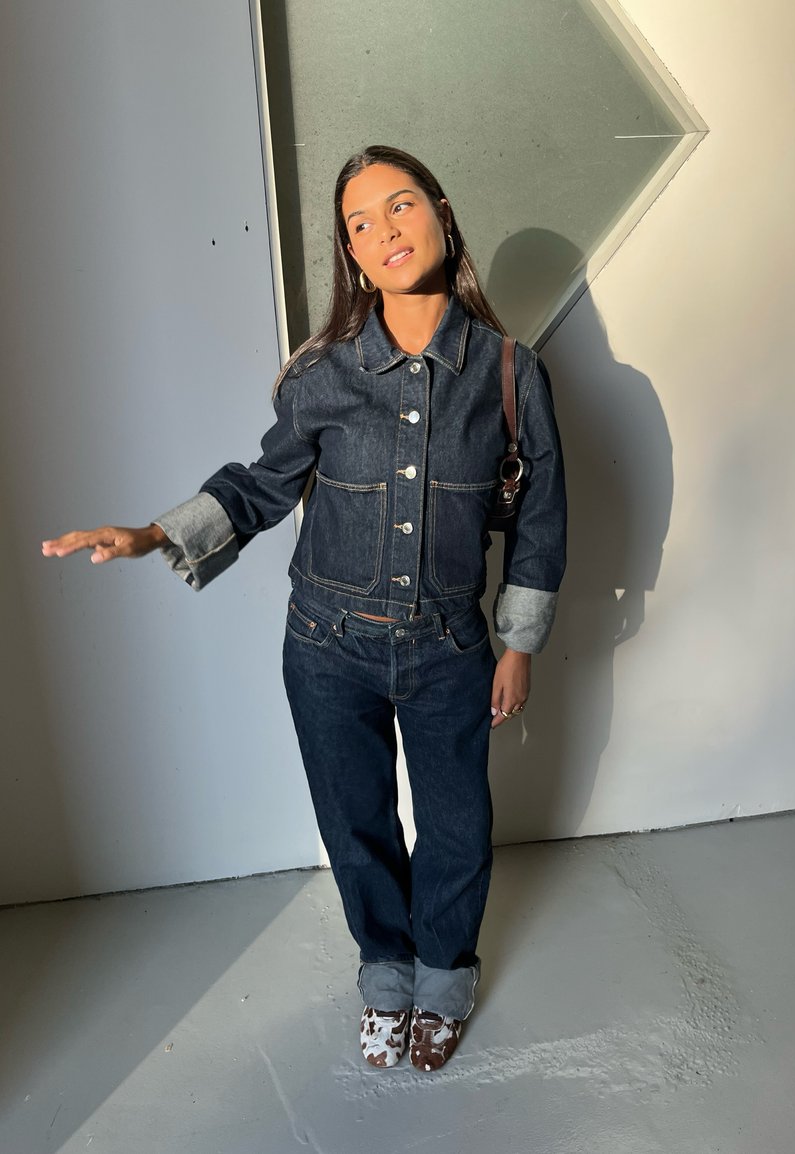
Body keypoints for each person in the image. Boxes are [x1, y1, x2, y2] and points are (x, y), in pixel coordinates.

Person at [42, 145, 566, 1073]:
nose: (383, 232)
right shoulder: (322, 374)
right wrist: (155, 534)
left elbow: (540, 519)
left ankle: (445, 973)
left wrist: (518, 645)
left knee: (455, 827)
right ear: (350, 256)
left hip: (451, 646)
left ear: (442, 214)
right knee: (352, 823)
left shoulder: (512, 376)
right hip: (325, 649)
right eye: (359, 224)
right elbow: (262, 485)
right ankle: (385, 976)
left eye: (399, 206)